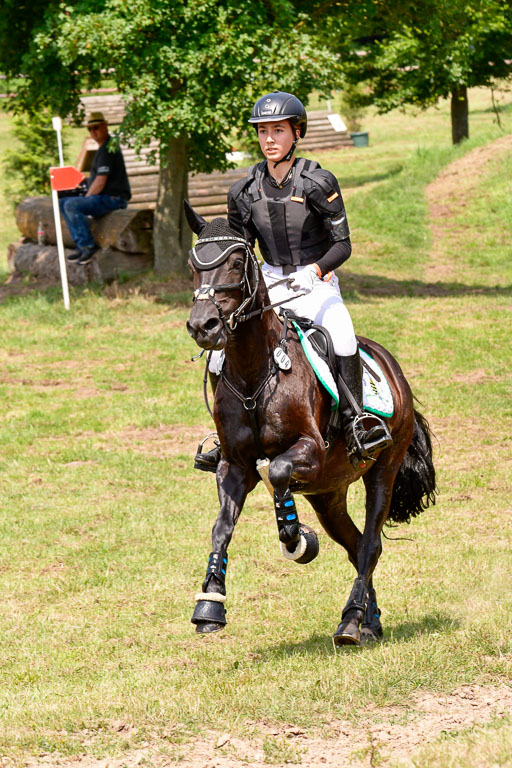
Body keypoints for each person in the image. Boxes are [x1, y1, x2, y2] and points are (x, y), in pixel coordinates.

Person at [195, 90, 391, 472]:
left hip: (316, 282)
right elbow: (240, 249)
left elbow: (343, 244)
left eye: (278, 130)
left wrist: (314, 272)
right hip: (269, 284)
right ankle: (225, 435)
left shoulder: (318, 181)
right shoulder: (243, 191)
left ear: (296, 133)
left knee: (342, 334)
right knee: (219, 353)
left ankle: (356, 424)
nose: (269, 139)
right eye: (262, 131)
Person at [59, 112, 131, 266]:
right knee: (62, 202)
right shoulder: (103, 148)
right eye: (90, 129)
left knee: (71, 205)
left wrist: (87, 198)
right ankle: (81, 245)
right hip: (105, 198)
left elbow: (100, 181)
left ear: (105, 126)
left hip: (114, 199)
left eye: (96, 127)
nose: (93, 132)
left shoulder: (108, 149)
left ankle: (88, 245)